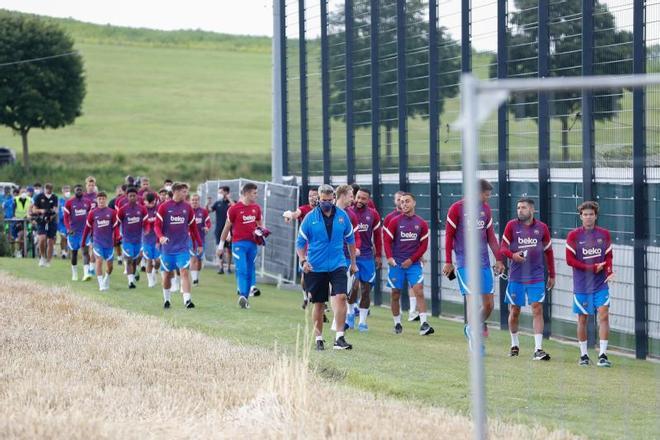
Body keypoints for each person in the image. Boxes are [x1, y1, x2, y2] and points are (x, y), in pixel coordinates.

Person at [443, 179, 504, 353]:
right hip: (464, 263)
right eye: (486, 194)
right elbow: (448, 236)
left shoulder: (485, 209)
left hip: (484, 262)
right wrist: (448, 261)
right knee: (472, 298)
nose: (488, 197)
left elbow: (491, 237)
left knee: (489, 305)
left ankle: (471, 327)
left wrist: (498, 259)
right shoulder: (456, 209)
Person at [296, 184, 357, 351]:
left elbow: (351, 241)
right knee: (319, 303)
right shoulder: (310, 218)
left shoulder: (343, 217)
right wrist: (303, 261)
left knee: (342, 297)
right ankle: (319, 338)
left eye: (330, 200)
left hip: (338, 263)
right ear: (318, 200)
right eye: (324, 200)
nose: (327, 203)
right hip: (316, 266)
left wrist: (353, 263)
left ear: (334, 199)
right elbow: (300, 243)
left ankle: (339, 338)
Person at [500, 198, 555, 360]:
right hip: (516, 277)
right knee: (514, 311)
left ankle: (538, 349)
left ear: (532, 210)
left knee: (537, 309)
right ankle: (514, 344)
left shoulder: (542, 228)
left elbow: (549, 251)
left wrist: (552, 274)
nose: (520, 210)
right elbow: (503, 248)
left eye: (523, 208)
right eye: (518, 208)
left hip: (536, 276)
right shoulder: (511, 226)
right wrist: (513, 256)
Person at [566, 201, 614, 367]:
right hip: (582, 286)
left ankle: (603, 355)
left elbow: (608, 257)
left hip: (601, 284)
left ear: (596, 216)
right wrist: (591, 267)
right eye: (585, 214)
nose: (588, 217)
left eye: (591, 214)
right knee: (583, 319)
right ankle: (584, 355)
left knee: (604, 314)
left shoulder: (604, 234)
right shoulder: (573, 236)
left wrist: (608, 271)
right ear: (580, 217)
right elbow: (570, 260)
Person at [383, 193, 434, 336]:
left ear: (414, 203)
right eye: (402, 202)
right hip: (396, 264)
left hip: (413, 264)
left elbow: (423, 246)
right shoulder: (395, 221)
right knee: (395, 294)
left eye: (407, 201)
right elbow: (387, 241)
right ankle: (397, 323)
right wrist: (390, 258)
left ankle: (424, 324)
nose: (404, 204)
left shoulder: (421, 223)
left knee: (419, 290)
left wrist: (412, 260)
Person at [154, 182, 202, 309]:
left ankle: (187, 300)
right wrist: (161, 237)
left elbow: (193, 228)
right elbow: (156, 226)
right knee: (167, 275)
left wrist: (199, 243)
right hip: (167, 249)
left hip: (183, 247)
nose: (185, 194)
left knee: (184, 272)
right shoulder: (164, 207)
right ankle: (167, 299)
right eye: (183, 192)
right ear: (175, 192)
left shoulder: (187, 207)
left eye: (186, 192)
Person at [219, 182, 263, 308]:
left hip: (252, 245)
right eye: (254, 193)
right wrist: (221, 245)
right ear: (247, 193)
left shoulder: (256, 208)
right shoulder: (234, 209)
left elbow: (260, 224)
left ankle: (245, 298)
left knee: (249, 270)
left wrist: (262, 232)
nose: (256, 195)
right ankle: (243, 295)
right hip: (238, 244)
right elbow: (227, 227)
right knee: (242, 269)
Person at [347, 188, 382, 332]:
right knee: (353, 287)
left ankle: (362, 322)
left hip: (367, 257)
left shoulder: (373, 214)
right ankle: (350, 314)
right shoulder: (347, 212)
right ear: (354, 197)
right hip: (351, 256)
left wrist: (379, 255)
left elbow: (378, 236)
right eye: (358, 197)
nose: (360, 201)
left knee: (366, 290)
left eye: (364, 198)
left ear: (369, 200)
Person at [283, 188, 319, 309]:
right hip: (306, 249)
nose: (312, 198)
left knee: (322, 276)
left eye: (315, 196)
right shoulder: (304, 209)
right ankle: (305, 297)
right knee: (305, 275)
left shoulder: (324, 210)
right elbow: (296, 214)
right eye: (310, 196)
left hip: (320, 249)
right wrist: (290, 216)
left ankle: (320, 301)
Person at [334, 185, 361, 331]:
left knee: (342, 294)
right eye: (351, 196)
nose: (353, 199)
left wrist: (355, 250)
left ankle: (338, 324)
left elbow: (356, 237)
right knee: (333, 295)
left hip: (345, 259)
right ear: (343, 196)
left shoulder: (351, 215)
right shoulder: (328, 212)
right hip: (329, 258)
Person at [81, 192, 119, 291]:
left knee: (110, 267)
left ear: (106, 200)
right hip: (97, 242)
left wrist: (117, 237)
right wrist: (83, 241)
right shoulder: (92, 213)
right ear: (97, 200)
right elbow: (87, 228)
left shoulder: (112, 212)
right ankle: (101, 284)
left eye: (103, 199)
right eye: (99, 199)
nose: (101, 201)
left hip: (109, 243)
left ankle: (106, 278)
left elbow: (115, 227)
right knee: (99, 260)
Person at [117, 187, 148, 289]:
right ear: (127, 197)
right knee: (129, 259)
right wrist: (117, 234)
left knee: (135, 260)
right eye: (130, 196)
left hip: (139, 239)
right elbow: (117, 223)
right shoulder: (122, 210)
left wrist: (147, 229)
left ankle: (135, 273)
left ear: (137, 197)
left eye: (134, 196)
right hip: (127, 239)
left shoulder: (142, 209)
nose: (132, 197)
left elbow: (146, 223)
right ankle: (130, 282)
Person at [63, 185, 92, 281]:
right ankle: (74, 274)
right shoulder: (69, 202)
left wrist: (91, 228)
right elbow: (66, 218)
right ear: (74, 191)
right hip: (73, 232)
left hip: (84, 231)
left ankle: (86, 274)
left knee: (85, 252)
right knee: (74, 253)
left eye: (80, 189)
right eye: (77, 190)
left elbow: (90, 216)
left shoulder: (87, 202)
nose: (79, 191)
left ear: (83, 191)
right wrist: (68, 229)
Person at [32, 183, 59, 267]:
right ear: (44, 189)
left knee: (51, 241)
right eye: (47, 188)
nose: (48, 190)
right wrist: (42, 211)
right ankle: (42, 257)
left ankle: (48, 261)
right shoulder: (39, 197)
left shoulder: (54, 197)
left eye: (50, 189)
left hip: (51, 221)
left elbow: (55, 210)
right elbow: (34, 209)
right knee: (42, 239)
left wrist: (52, 215)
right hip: (41, 220)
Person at [211, 186, 234, 274]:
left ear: (226, 192)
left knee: (228, 250)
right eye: (219, 192)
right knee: (220, 248)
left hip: (229, 230)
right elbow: (209, 210)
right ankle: (221, 267)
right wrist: (207, 203)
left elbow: (235, 207)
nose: (219, 194)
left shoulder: (231, 202)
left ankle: (228, 267)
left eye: (221, 192)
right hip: (219, 229)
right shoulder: (217, 203)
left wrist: (229, 198)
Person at [190, 193, 211, 286]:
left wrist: (207, 227)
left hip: (201, 240)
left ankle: (196, 276)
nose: (194, 201)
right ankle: (194, 280)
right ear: (190, 201)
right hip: (190, 240)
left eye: (196, 200)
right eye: (193, 200)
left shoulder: (203, 211)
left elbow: (208, 222)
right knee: (193, 258)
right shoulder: (187, 211)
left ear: (199, 201)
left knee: (199, 261)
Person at [142, 192, 161, 288]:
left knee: (157, 261)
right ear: (144, 201)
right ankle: (150, 280)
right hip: (146, 240)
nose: (150, 204)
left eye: (152, 202)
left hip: (157, 239)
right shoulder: (142, 210)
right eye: (148, 202)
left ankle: (154, 272)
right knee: (149, 261)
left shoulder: (158, 209)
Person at [12, 188, 31, 257]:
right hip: (17, 220)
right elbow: (13, 210)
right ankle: (19, 251)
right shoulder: (16, 199)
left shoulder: (29, 199)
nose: (23, 193)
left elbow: (31, 209)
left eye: (25, 192)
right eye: (22, 192)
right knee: (19, 236)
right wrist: (14, 217)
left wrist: (29, 215)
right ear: (19, 193)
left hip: (26, 220)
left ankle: (22, 251)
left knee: (23, 235)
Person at [57, 185, 71, 259]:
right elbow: (57, 211)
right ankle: (63, 251)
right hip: (61, 223)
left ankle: (68, 251)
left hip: (69, 223)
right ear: (62, 192)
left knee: (69, 238)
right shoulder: (60, 201)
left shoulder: (72, 201)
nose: (67, 193)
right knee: (63, 236)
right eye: (66, 191)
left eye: (68, 191)